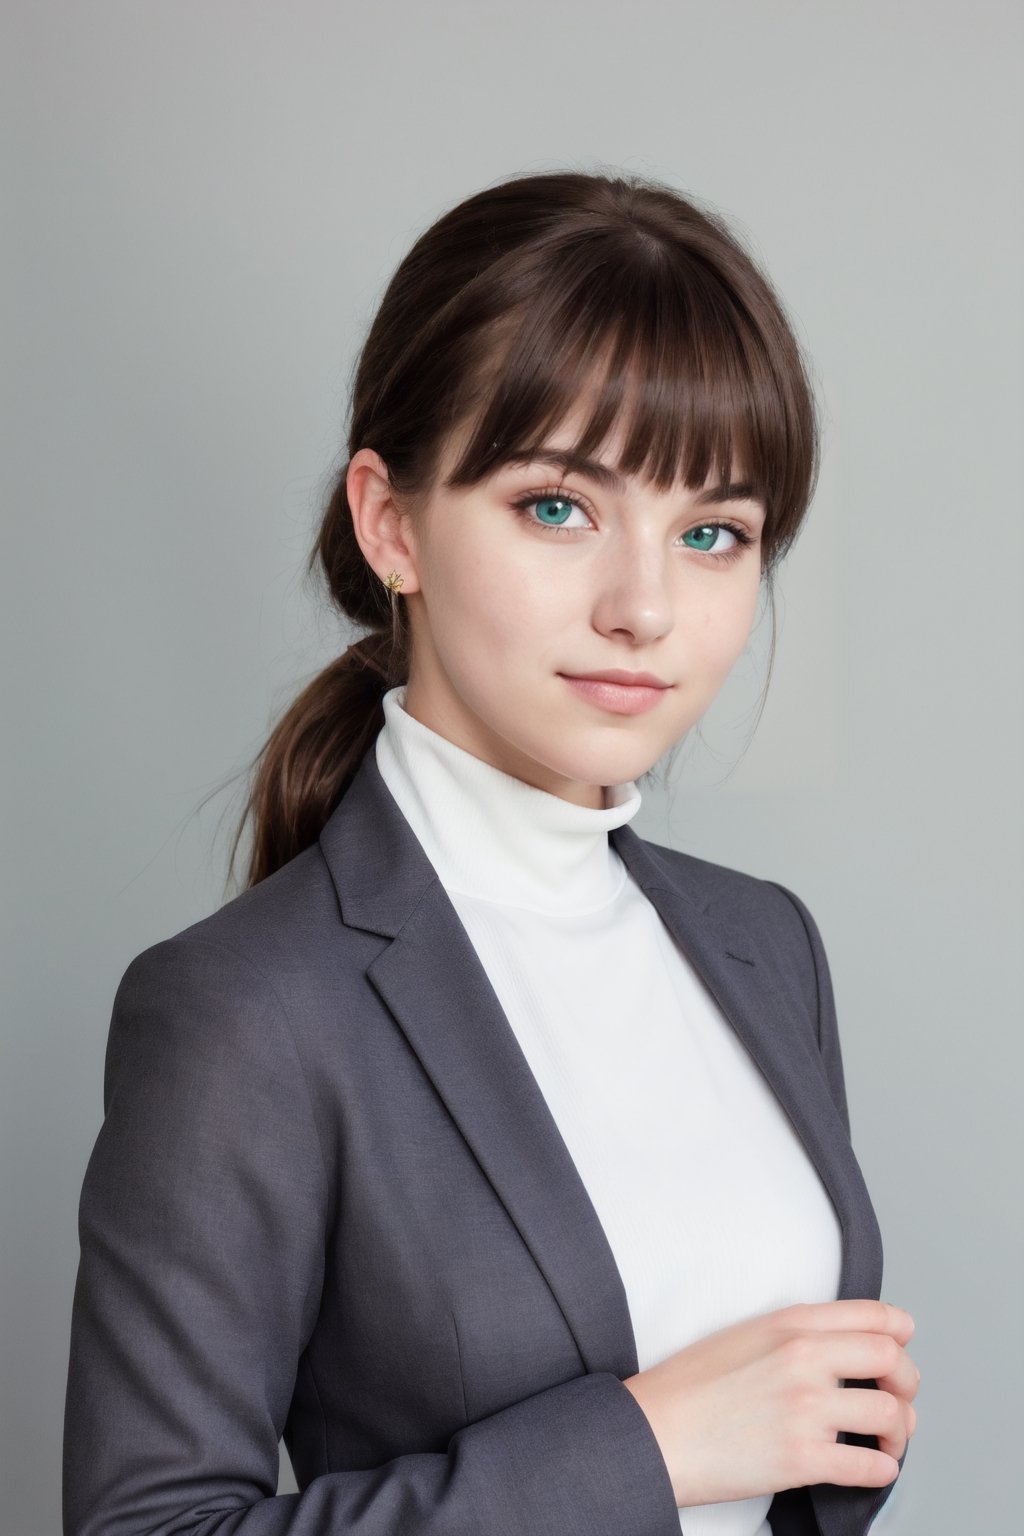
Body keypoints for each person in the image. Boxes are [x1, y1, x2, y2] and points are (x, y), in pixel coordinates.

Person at [62, 169, 919, 1536]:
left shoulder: (766, 947)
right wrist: (645, 1447)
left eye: (712, 534)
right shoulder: (246, 1011)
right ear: (389, 522)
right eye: (558, 508)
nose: (644, 607)